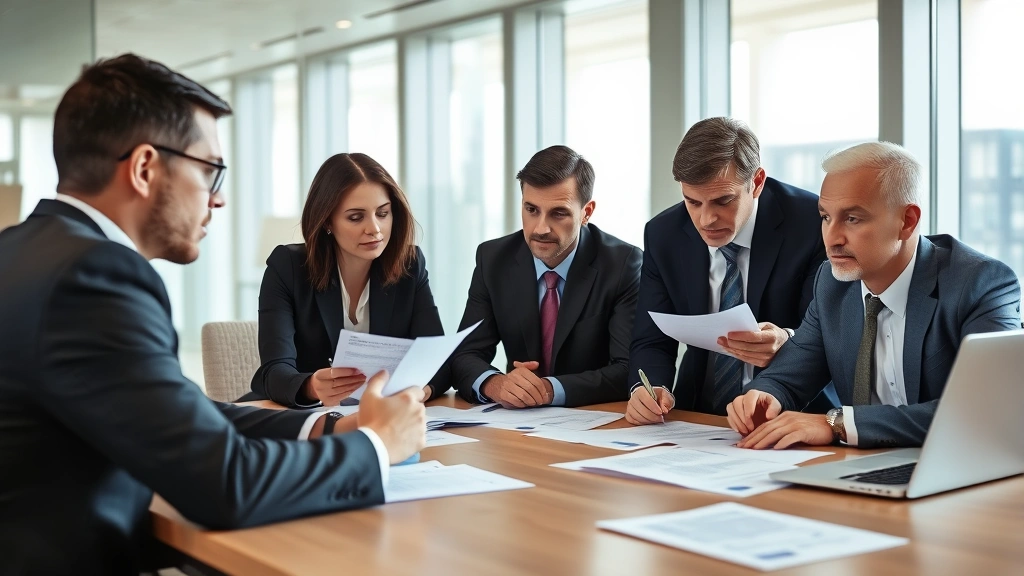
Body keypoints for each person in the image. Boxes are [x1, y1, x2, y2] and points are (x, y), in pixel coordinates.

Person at [0, 54, 425, 575]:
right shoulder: (95, 278)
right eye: (209, 171)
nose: (218, 200)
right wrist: (376, 446)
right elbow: (226, 485)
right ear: (145, 168)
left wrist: (324, 426)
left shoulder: (21, 253)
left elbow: (180, 416)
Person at [727, 141, 1021, 449]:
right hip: (865, 469)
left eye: (853, 219)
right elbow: (789, 375)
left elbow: (987, 410)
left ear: (907, 221)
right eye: (826, 217)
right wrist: (762, 397)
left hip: (961, 468)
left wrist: (837, 424)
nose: (832, 238)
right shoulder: (832, 282)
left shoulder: (980, 283)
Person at [626, 117, 825, 425]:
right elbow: (651, 339)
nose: (706, 219)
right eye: (693, 202)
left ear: (757, 182)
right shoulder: (663, 234)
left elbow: (830, 330)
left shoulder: (812, 224)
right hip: (697, 416)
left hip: (793, 415)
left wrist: (787, 340)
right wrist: (648, 388)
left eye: (723, 201)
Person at [245, 153, 448, 408]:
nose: (374, 228)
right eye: (356, 217)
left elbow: (437, 360)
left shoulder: (410, 264)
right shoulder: (288, 267)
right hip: (304, 419)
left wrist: (420, 391)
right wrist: (311, 387)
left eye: (382, 213)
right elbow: (273, 372)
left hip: (381, 416)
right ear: (327, 220)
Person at [450, 145, 642, 407]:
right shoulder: (493, 259)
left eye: (558, 213)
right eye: (531, 210)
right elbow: (464, 354)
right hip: (517, 426)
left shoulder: (622, 265)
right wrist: (496, 384)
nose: (540, 228)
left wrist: (549, 389)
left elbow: (628, 370)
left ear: (586, 212)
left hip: (594, 418)